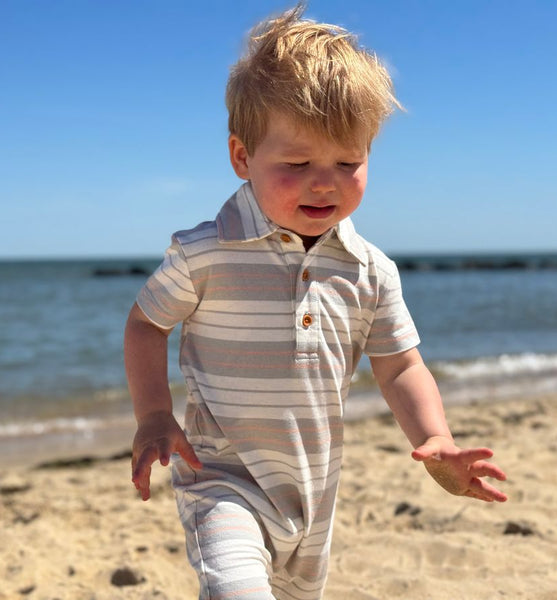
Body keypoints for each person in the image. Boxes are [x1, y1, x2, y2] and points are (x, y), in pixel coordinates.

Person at [123, 5, 507, 599]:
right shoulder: (205, 252)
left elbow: (401, 365)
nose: (324, 181)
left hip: (313, 492)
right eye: (298, 163)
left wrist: (436, 438)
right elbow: (146, 324)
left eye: (347, 163)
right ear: (242, 158)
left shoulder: (369, 271)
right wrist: (153, 413)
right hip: (220, 478)